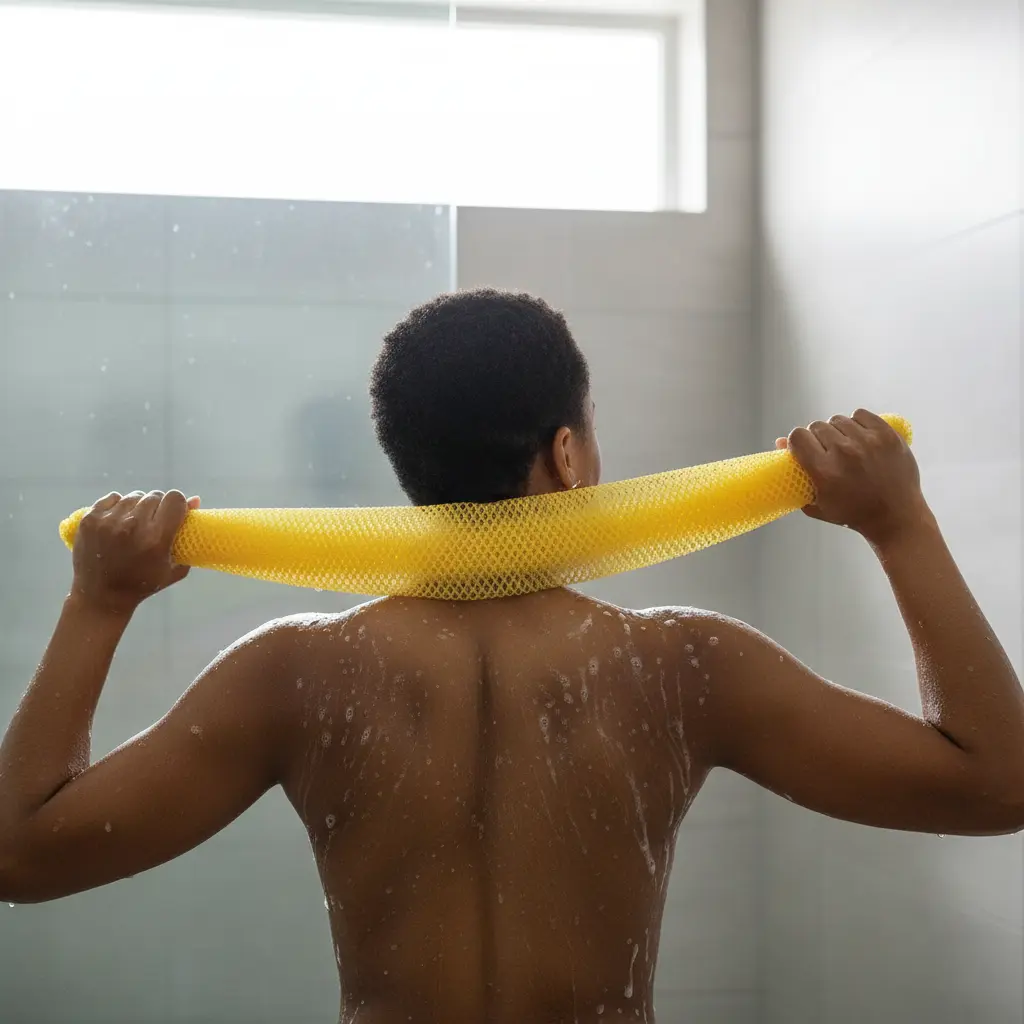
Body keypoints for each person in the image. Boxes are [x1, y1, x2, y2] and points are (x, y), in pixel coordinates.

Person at [1, 289, 1022, 1024]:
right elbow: (998, 784)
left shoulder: (291, 673)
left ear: (406, 464)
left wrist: (99, 603)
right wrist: (899, 524)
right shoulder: (685, 666)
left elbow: (18, 857)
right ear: (567, 453)